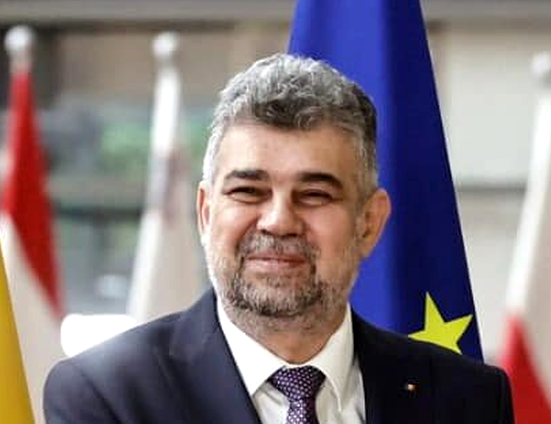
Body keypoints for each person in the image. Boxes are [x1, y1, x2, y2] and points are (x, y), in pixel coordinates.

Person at [44, 53, 514, 424]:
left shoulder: (467, 399)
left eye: (314, 195)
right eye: (248, 191)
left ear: (368, 223)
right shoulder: (107, 395)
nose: (278, 221)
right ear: (206, 213)